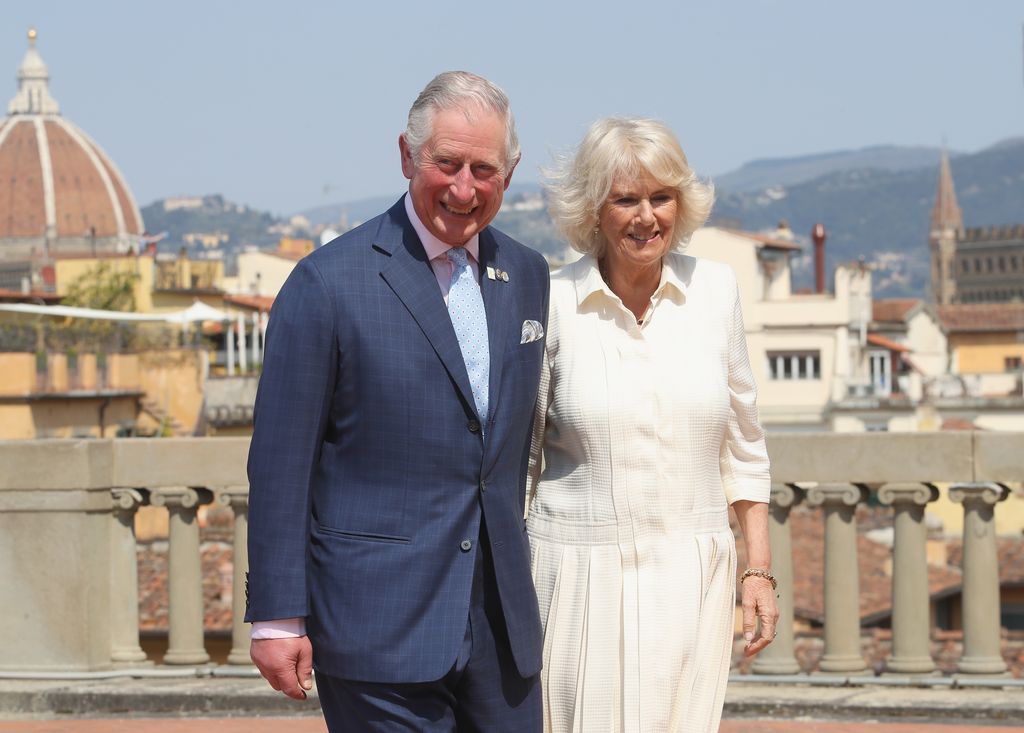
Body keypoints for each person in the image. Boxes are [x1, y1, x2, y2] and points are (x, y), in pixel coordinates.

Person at [244, 71, 550, 732]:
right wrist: (275, 615)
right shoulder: (326, 283)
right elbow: (279, 464)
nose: (464, 188)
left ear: (511, 169)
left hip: (502, 629)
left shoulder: (528, 274)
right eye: (446, 163)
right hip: (376, 624)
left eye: (484, 169)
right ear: (408, 155)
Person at [527, 117, 778, 732]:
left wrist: (758, 570)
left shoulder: (716, 291)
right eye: (626, 199)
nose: (647, 217)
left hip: (692, 577)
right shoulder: (551, 300)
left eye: (661, 197)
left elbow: (744, 445)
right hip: (577, 576)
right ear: (593, 209)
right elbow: (520, 458)